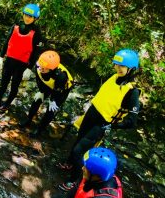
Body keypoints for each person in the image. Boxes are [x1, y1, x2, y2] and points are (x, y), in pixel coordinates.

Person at [59, 49, 140, 190]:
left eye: (122, 66)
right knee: (78, 139)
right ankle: (70, 163)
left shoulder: (132, 92)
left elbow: (132, 121)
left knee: (80, 150)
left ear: (131, 69)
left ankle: (74, 180)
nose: (117, 68)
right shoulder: (113, 77)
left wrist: (112, 126)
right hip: (91, 114)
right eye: (116, 64)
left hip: (101, 124)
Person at [0, 3, 44, 112]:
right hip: (9, 60)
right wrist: (1, 57)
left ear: (35, 18)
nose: (27, 18)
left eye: (30, 16)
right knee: (3, 83)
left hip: (22, 64)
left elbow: (36, 52)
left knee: (14, 86)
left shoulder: (36, 32)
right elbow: (7, 42)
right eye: (25, 15)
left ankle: (6, 104)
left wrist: (29, 68)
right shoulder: (16, 26)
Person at [19, 50, 74, 136]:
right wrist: (41, 91)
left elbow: (57, 91)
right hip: (47, 84)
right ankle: (28, 120)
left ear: (51, 69)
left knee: (51, 110)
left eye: (43, 67)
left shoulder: (61, 76)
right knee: (36, 101)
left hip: (61, 89)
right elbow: (39, 79)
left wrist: (52, 100)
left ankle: (40, 130)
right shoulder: (39, 65)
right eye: (40, 66)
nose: (40, 68)